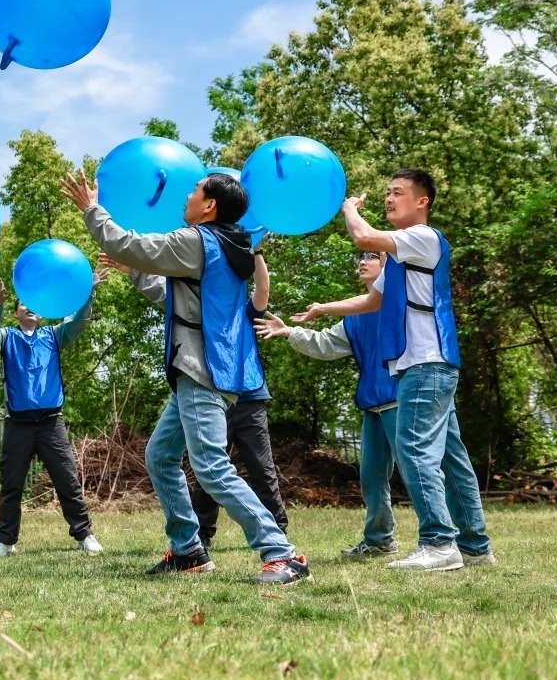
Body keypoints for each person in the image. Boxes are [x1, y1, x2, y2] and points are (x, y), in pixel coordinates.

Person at [63, 168, 310, 585]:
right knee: (161, 456)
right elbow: (176, 299)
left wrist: (92, 208)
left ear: (209, 205)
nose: (188, 195)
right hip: (204, 368)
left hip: (202, 370)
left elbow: (130, 244)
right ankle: (188, 550)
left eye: (195, 190)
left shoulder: (197, 239)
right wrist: (136, 269)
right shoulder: (225, 246)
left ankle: (282, 553)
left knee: (211, 467)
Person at [290, 170, 493, 572]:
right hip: (430, 365)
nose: (389, 198)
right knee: (452, 460)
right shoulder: (402, 257)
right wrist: (322, 309)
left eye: (398, 192)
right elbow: (371, 301)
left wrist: (348, 209)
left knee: (415, 450)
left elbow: (364, 237)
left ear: (422, 201)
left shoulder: (423, 237)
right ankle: (475, 546)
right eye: (387, 192)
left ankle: (439, 542)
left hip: (425, 363)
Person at [109, 248, 288, 550]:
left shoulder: (240, 310)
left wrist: (256, 251)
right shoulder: (202, 304)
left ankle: (278, 542)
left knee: (235, 467)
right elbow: (169, 297)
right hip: (202, 383)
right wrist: (135, 270)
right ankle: (193, 544)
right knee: (173, 458)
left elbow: (262, 291)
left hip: (239, 394)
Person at [256, 251, 399, 559]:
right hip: (373, 405)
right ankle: (379, 540)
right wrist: (289, 331)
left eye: (371, 256)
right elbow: (325, 344)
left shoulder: (399, 298)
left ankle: (442, 539)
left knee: (421, 472)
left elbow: (394, 277)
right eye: (359, 258)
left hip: (404, 400)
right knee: (372, 478)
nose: (362, 262)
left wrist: (386, 253)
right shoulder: (354, 317)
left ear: (386, 260)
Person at [0, 278, 103, 558]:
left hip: (51, 423)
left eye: (34, 304)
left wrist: (88, 292)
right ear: (16, 312)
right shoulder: (6, 338)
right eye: (23, 303)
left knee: (68, 481)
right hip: (18, 424)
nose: (29, 307)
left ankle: (84, 535)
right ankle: (5, 540)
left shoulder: (54, 335)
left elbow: (80, 321)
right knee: (11, 484)